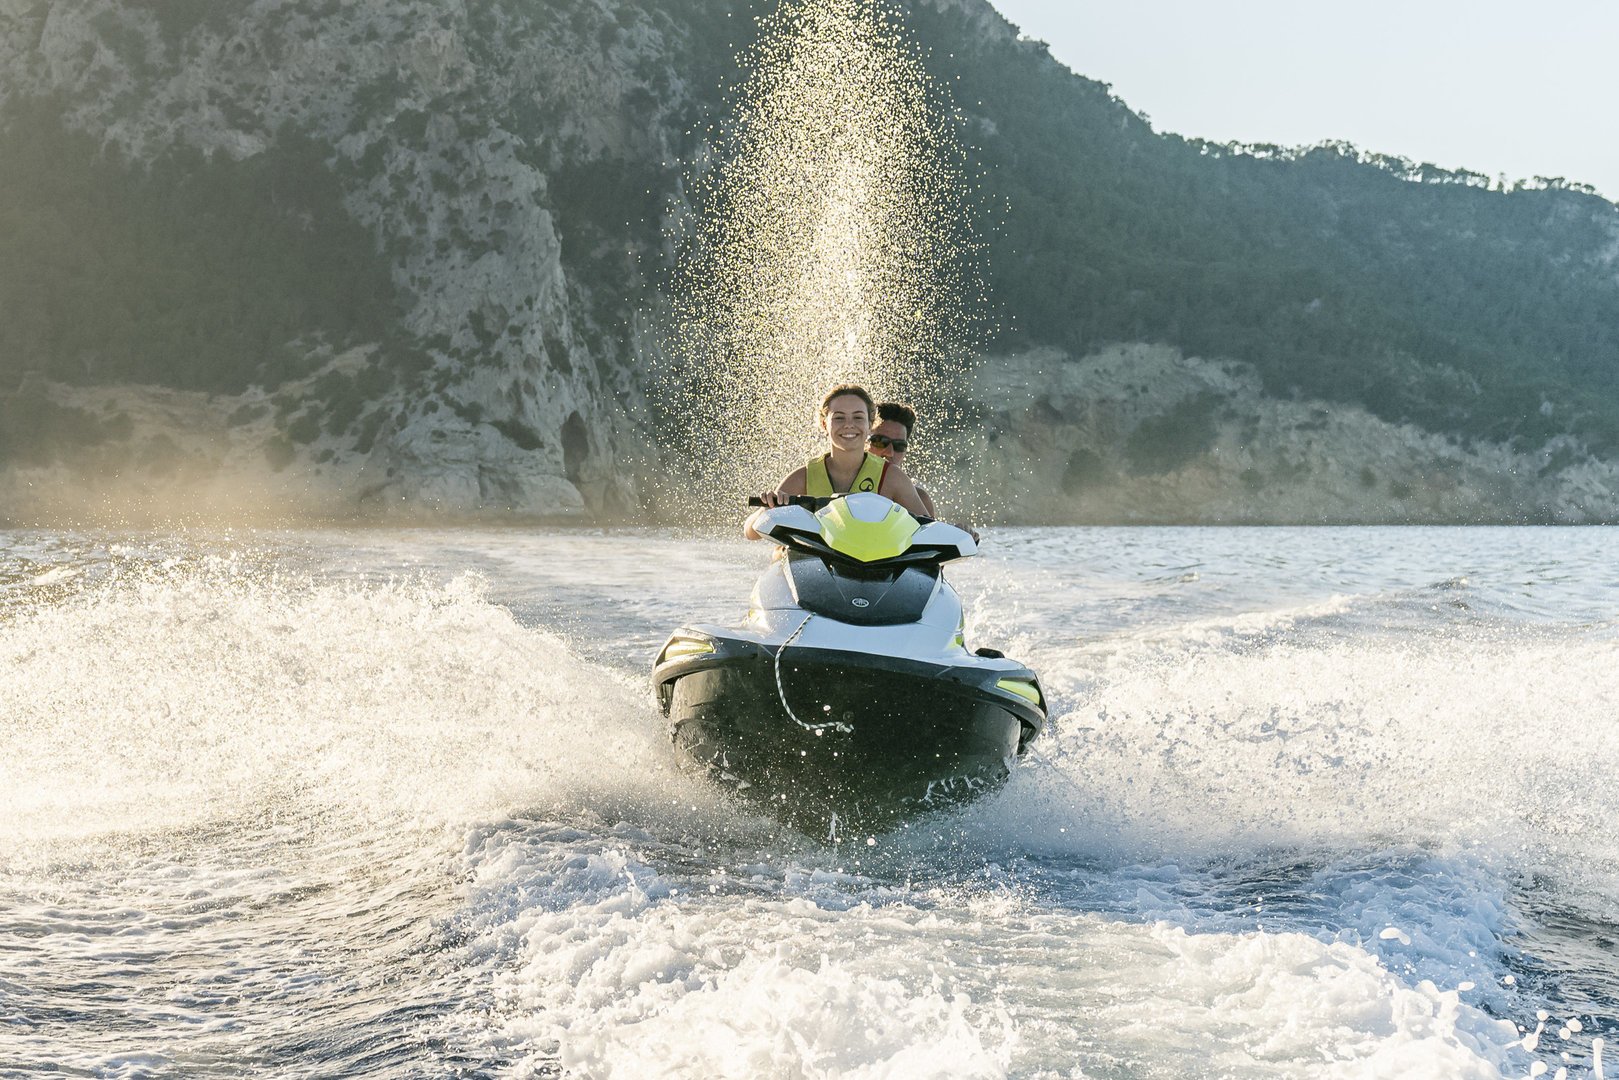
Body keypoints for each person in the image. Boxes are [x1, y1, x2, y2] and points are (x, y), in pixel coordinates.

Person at [744, 384, 930, 540]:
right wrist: (767, 510)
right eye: (839, 418)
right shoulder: (803, 477)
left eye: (858, 417)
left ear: (870, 425)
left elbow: (930, 532)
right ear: (824, 424)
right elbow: (750, 533)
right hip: (812, 570)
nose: (849, 425)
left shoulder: (893, 478)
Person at [868, 401, 936, 518]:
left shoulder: (921, 499)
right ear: (863, 440)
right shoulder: (839, 483)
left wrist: (957, 529)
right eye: (880, 442)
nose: (890, 452)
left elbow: (934, 531)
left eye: (899, 446)